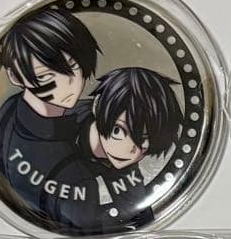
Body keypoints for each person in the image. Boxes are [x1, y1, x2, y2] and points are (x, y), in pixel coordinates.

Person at [0, 9, 100, 225]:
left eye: (73, 66)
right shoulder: (75, 176)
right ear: (14, 76)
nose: (68, 84)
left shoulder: (9, 109)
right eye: (45, 76)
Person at [44, 67, 182, 231]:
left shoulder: (126, 168)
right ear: (97, 106)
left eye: (143, 139)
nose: (130, 150)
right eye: (118, 131)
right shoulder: (57, 128)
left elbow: (140, 225)